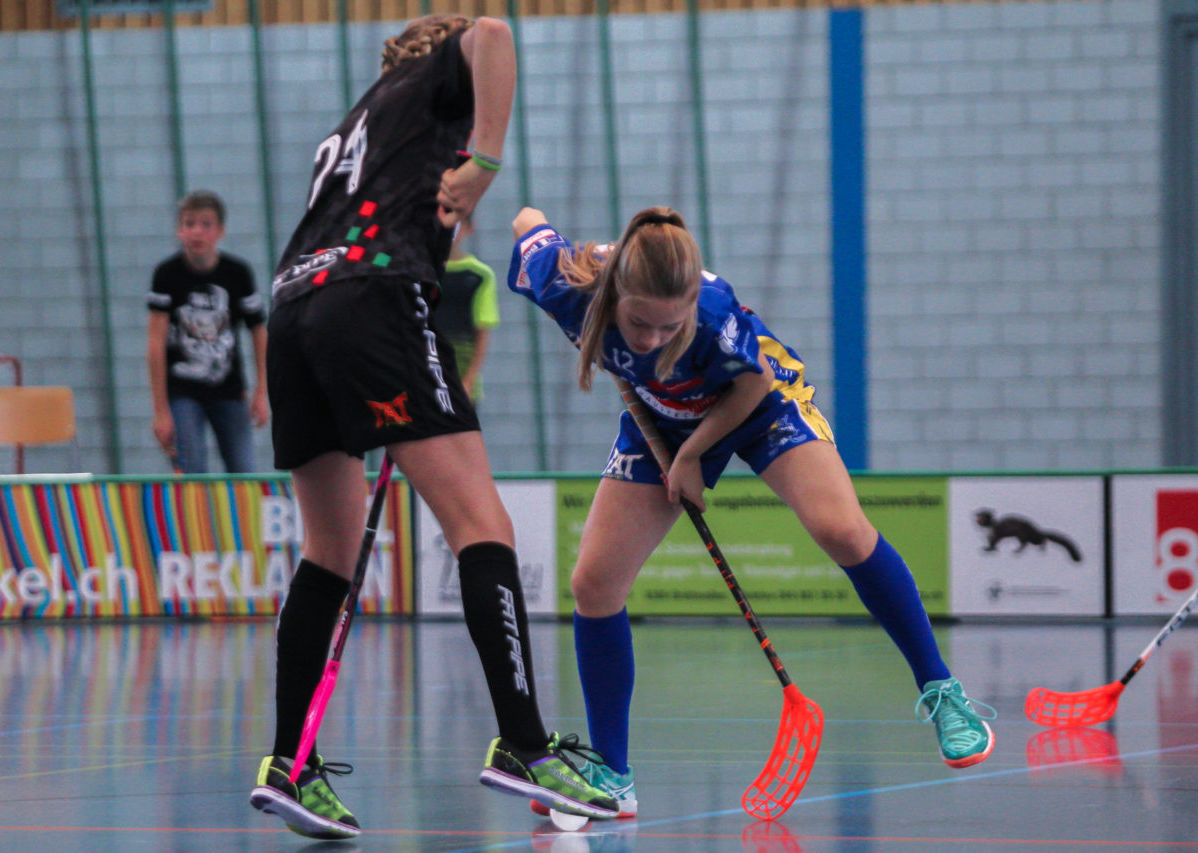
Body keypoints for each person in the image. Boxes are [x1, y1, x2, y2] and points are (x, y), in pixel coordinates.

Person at [247, 15, 617, 841]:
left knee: (327, 552)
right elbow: (493, 32)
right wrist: (485, 161)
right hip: (373, 298)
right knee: (480, 523)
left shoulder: (361, 119)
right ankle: (524, 742)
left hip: (296, 312)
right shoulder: (434, 82)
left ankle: (289, 762)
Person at [507, 205, 998, 820]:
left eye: (669, 327)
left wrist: (690, 457)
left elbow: (752, 387)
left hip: (760, 405)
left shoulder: (713, 317)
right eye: (639, 323)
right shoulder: (567, 286)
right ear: (616, 293)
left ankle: (941, 688)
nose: (652, 339)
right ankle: (612, 772)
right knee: (594, 583)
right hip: (658, 415)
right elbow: (527, 221)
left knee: (839, 528)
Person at [147, 190, 268, 474]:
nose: (197, 232)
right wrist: (161, 410)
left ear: (220, 231)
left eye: (206, 224)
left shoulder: (237, 274)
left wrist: (262, 391)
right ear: (180, 231)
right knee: (193, 469)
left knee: (243, 468)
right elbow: (155, 342)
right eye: (190, 224)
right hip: (183, 392)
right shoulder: (167, 275)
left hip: (228, 390)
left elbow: (259, 332)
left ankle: (239, 519)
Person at [438, 214, 500, 402]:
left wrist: (469, 380)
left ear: (468, 228)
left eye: (455, 226)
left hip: (460, 365)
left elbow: (483, 331)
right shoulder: (418, 271)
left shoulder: (480, 275)